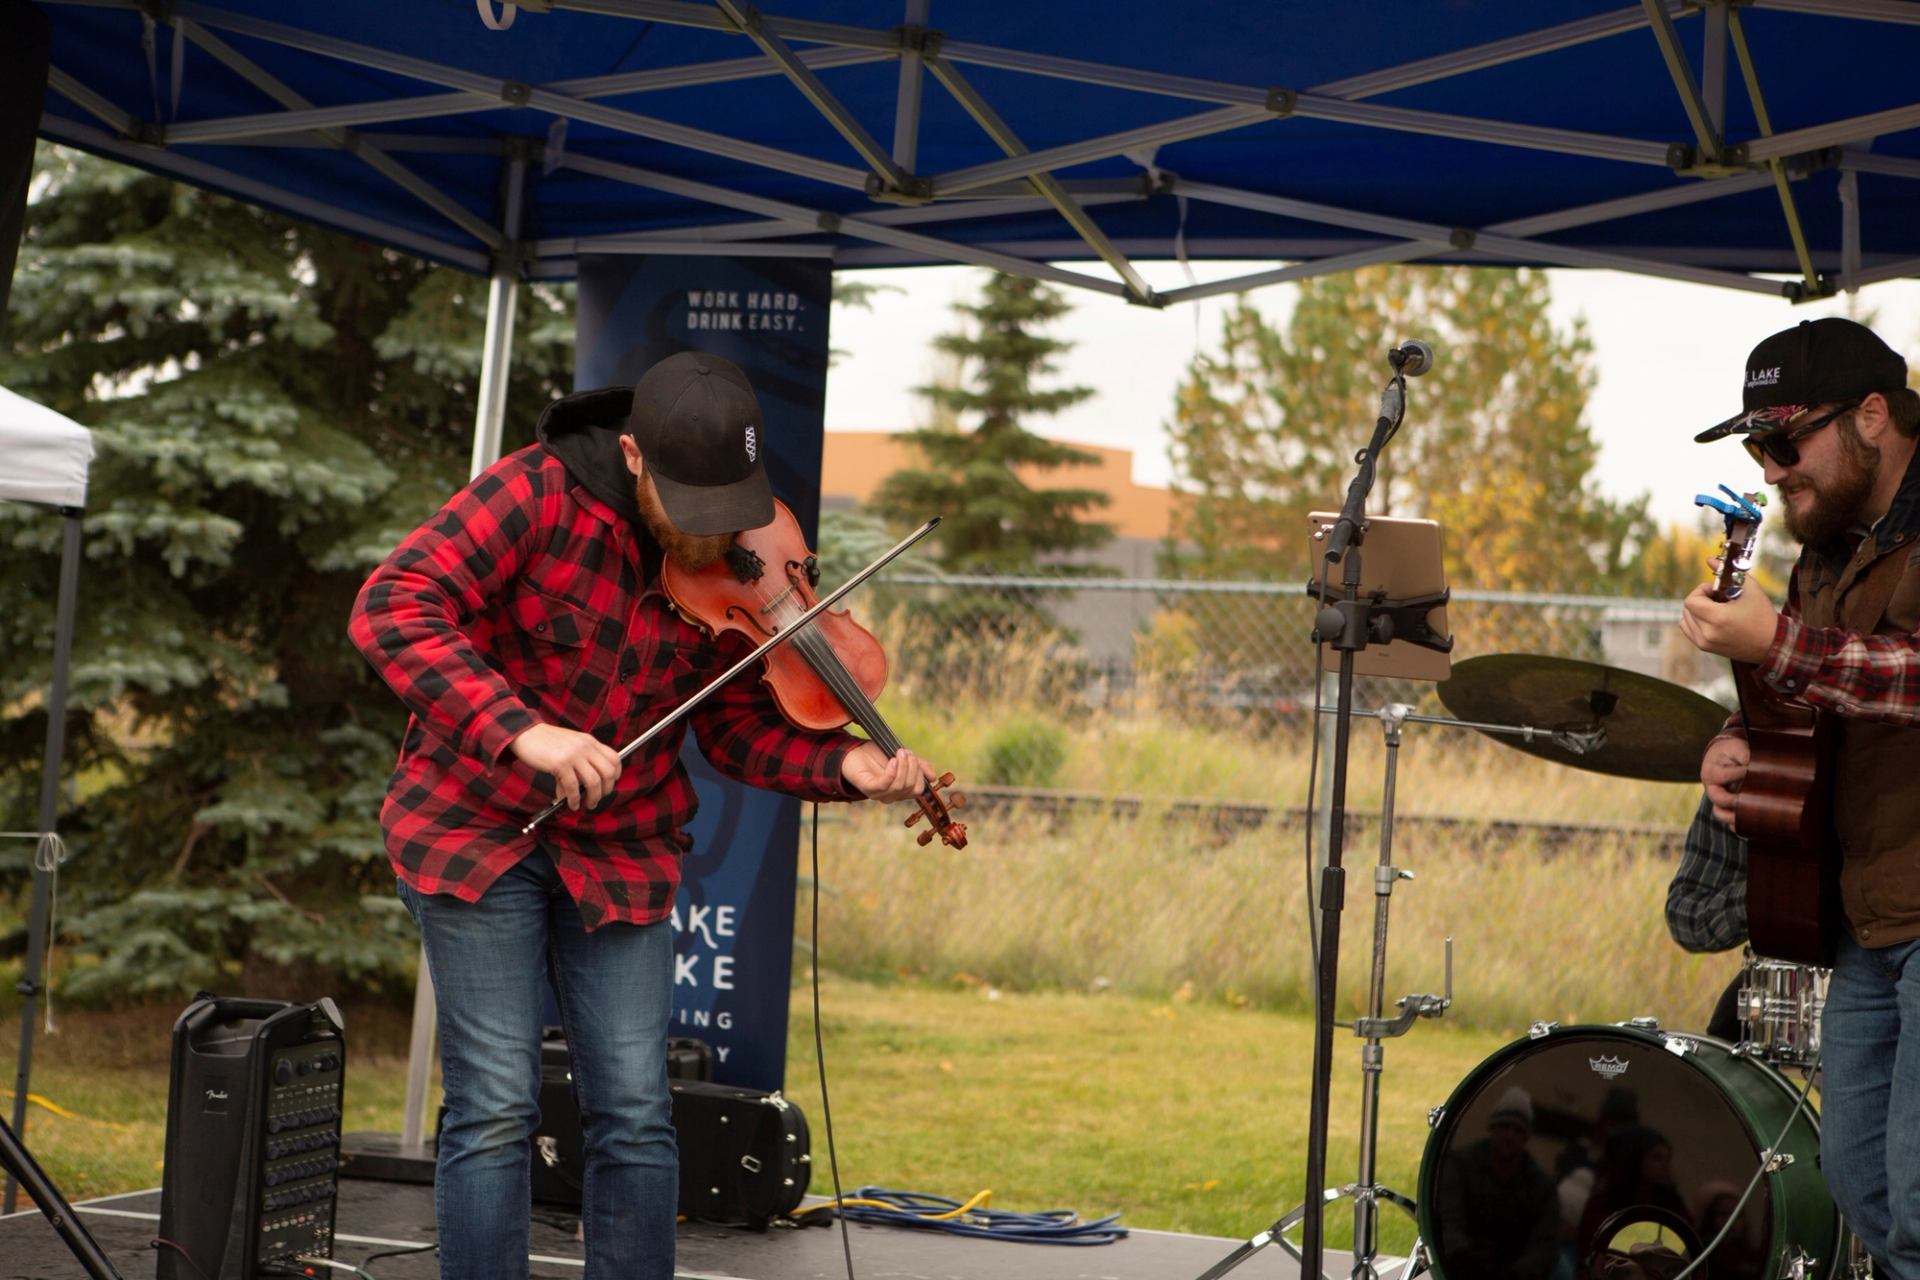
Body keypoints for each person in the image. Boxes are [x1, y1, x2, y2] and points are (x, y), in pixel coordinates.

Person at [347, 351, 939, 1280]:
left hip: (622, 848)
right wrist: (524, 732)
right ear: (631, 454)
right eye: (688, 503)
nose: (711, 535)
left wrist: (845, 764)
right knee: (497, 1102)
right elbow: (392, 605)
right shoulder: (532, 495)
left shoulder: (746, 543)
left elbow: (738, 735)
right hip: (474, 828)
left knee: (633, 1107)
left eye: (728, 501)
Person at [1681, 315, 1920, 1278]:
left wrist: (1774, 644)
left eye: (1786, 441)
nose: (1772, 470)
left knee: (1914, 1194)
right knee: (1861, 1186)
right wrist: (1740, 745)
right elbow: (1815, 699)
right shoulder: (1825, 548)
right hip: (1872, 914)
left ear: (1873, 415)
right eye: (1757, 449)